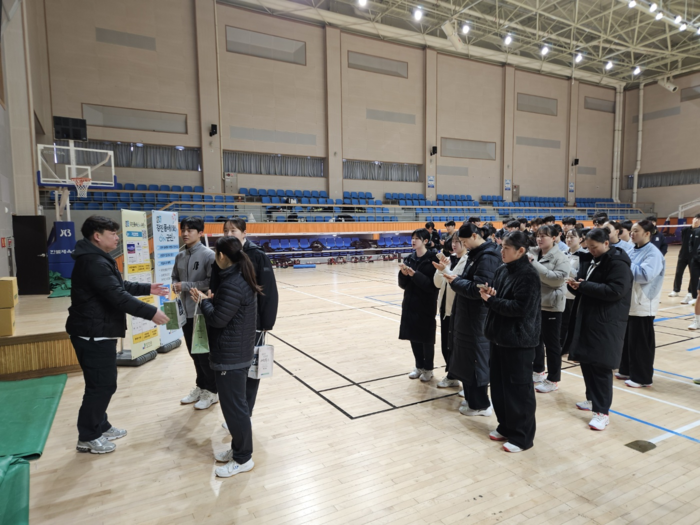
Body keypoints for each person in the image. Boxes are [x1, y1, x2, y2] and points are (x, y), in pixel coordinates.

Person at [66, 216, 170, 454]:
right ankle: (88, 436)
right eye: (112, 233)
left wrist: (147, 288)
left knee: (101, 383)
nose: (117, 238)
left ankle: (100, 425)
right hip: (93, 333)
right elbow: (118, 297)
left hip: (97, 331)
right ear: (97, 236)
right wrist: (151, 312)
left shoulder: (97, 258)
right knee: (101, 386)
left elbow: (117, 286)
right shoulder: (93, 261)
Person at [190, 236, 262, 478]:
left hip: (231, 357)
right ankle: (238, 450)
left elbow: (218, 320)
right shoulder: (237, 278)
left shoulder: (233, 283)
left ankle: (243, 459)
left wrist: (203, 302)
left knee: (235, 410)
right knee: (235, 408)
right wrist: (211, 302)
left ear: (221, 256)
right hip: (234, 353)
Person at [565, 228, 633, 431]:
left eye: (594, 247)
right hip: (588, 318)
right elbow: (585, 284)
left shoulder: (618, 263)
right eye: (588, 247)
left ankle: (602, 412)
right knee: (587, 361)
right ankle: (592, 399)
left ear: (606, 244)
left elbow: (615, 291)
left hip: (607, 322)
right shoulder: (592, 260)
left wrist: (584, 286)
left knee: (601, 367)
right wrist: (574, 286)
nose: (591, 250)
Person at [213, 219, 279, 424]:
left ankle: (245, 414)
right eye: (225, 231)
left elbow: (269, 291)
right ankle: (237, 413)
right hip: (227, 322)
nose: (228, 234)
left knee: (251, 372)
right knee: (232, 371)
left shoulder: (257, 256)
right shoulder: (221, 256)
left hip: (252, 324)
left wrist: (265, 324)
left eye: (233, 230)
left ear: (244, 233)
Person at [480, 231, 541, 453]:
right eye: (501, 247)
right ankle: (505, 426)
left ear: (521, 251)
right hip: (499, 338)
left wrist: (492, 301)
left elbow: (520, 308)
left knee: (519, 391)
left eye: (506, 248)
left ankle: (522, 436)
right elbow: (497, 299)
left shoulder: (528, 275)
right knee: (499, 388)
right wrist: (489, 295)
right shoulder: (502, 269)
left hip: (519, 341)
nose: (501, 251)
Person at [443, 224, 501, 416]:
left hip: (477, 317)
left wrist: (456, 281)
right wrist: (457, 279)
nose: (464, 245)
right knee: (466, 360)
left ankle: (481, 405)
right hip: (467, 316)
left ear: (475, 236)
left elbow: (479, 288)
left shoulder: (488, 257)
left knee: (476, 361)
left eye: (465, 241)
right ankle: (472, 400)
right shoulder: (476, 255)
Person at [173, 217, 217, 409]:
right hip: (185, 313)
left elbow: (210, 282)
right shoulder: (180, 256)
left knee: (204, 354)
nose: (185, 233)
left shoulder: (209, 255)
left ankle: (212, 391)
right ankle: (201, 386)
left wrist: (185, 286)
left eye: (190, 230)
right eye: (183, 229)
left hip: (202, 313)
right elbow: (175, 277)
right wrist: (175, 285)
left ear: (200, 233)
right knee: (193, 353)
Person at [617, 220, 665, 388]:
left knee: (641, 343)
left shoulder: (653, 253)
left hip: (644, 303)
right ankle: (626, 369)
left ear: (647, 233)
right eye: (631, 230)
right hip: (629, 302)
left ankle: (642, 378)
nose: (632, 233)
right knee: (627, 340)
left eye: (636, 231)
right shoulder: (631, 249)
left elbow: (644, 275)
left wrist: (625, 265)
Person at [528, 226, 570, 393]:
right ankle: (538, 370)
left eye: (544, 236)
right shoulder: (533, 252)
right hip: (534, 303)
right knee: (536, 340)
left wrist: (534, 264)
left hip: (551, 305)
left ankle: (553, 379)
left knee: (551, 344)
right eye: (538, 236)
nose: (539, 239)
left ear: (554, 237)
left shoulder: (561, 257)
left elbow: (555, 280)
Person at [399, 229, 440, 381]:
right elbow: (402, 285)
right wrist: (403, 275)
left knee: (426, 339)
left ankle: (428, 369)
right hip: (410, 304)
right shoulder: (409, 259)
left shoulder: (433, 260)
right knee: (413, 337)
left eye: (417, 238)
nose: (413, 241)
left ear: (425, 241)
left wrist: (415, 275)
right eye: (412, 238)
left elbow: (432, 286)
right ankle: (419, 366)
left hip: (426, 304)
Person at [432, 233, 469, 389]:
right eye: (453, 241)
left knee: (460, 348)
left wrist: (446, 269)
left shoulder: (468, 261)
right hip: (445, 309)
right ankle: (452, 376)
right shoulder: (449, 259)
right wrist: (440, 270)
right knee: (446, 346)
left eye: (458, 241)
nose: (454, 244)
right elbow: (437, 284)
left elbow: (457, 283)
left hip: (459, 310)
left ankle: (467, 383)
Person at [561, 228, 586, 349]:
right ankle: (562, 346)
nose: (569, 239)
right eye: (567, 237)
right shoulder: (562, 253)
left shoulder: (585, 255)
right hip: (562, 293)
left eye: (572, 237)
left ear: (580, 239)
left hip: (574, 294)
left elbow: (579, 274)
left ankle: (572, 347)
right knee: (562, 322)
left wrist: (565, 265)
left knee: (573, 322)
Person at [669, 219, 695, 299]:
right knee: (678, 273)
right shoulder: (685, 230)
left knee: (693, 274)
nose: (696, 221)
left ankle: (690, 291)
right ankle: (676, 290)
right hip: (683, 255)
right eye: (695, 219)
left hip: (693, 257)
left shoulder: (698, 231)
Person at [681, 214, 700, 306]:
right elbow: (690, 243)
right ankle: (694, 297)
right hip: (695, 259)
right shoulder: (697, 231)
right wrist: (693, 254)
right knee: (694, 278)